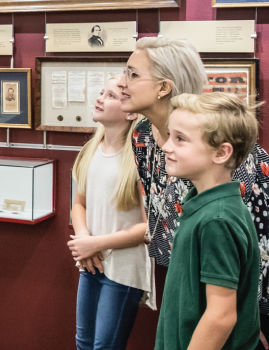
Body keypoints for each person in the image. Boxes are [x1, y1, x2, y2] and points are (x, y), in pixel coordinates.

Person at [120, 37, 269, 350]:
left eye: (133, 74)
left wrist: (250, 317)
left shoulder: (221, 145)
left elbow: (259, 238)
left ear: (163, 87)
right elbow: (161, 214)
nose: (123, 83)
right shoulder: (143, 136)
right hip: (206, 281)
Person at [154, 92, 260, 350]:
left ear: (221, 152)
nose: (167, 146)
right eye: (170, 136)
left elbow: (221, 316)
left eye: (180, 139)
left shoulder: (217, 219)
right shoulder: (204, 206)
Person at [68, 77, 154, 350]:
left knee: (105, 346)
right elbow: (79, 204)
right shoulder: (89, 151)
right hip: (91, 262)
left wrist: (97, 243)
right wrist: (84, 240)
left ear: (131, 111)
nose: (100, 98)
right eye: (101, 92)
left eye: (111, 95)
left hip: (124, 268)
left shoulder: (139, 158)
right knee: (83, 343)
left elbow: (148, 227)